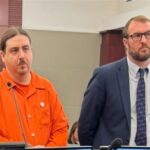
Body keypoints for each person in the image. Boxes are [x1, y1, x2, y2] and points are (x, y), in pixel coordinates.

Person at [78, 15, 150, 148]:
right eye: (137, 36)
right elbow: (86, 128)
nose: (144, 40)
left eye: (148, 34)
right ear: (125, 42)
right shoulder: (104, 76)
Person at [0, 27, 69, 147]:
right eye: (14, 50)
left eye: (26, 49)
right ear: (2, 56)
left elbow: (61, 129)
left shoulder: (46, 87)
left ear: (31, 51)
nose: (22, 55)